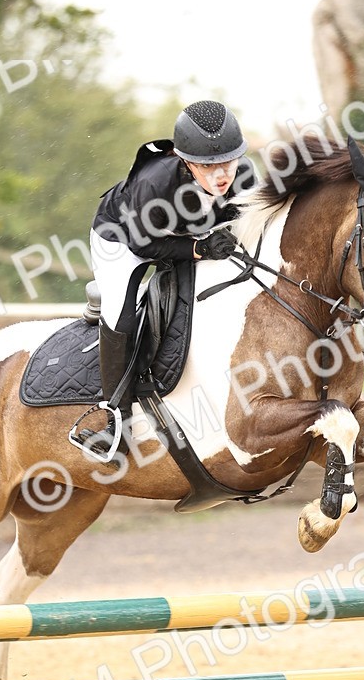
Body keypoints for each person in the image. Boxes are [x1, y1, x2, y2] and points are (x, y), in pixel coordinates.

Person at [72, 99, 256, 459]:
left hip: (188, 234)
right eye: (208, 165)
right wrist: (198, 250)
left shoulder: (245, 176)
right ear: (185, 160)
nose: (222, 175)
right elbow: (146, 244)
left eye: (228, 162)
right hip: (123, 241)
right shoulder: (155, 183)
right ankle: (113, 416)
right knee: (121, 315)